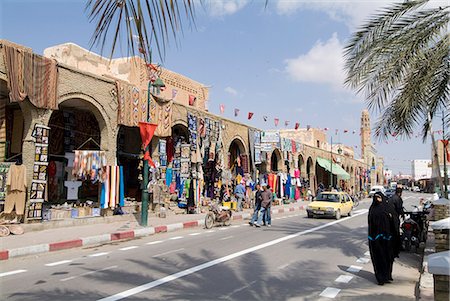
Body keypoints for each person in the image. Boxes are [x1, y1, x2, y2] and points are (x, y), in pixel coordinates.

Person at [368, 192, 395, 285]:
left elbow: (393, 221)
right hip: (375, 239)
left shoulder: (387, 208)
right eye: (376, 197)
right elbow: (370, 223)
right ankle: (380, 278)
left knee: (388, 257)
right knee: (378, 258)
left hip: (387, 238)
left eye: (379, 197)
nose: (377, 199)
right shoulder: (372, 209)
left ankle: (387, 276)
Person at [389, 187, 405, 254]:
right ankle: (397, 246)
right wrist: (402, 214)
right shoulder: (398, 199)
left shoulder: (391, 198)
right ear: (400, 193)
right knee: (396, 231)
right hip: (395, 217)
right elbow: (399, 208)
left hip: (389, 217)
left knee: (390, 231)